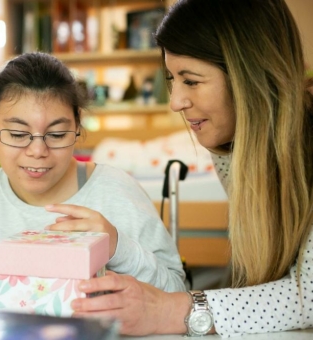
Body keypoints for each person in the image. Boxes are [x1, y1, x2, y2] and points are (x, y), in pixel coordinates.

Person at [65, 0, 313, 337]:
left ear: (251, 74)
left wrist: (169, 310)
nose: (175, 102)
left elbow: (307, 296)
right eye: (171, 79)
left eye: (192, 81)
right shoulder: (235, 145)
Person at [0, 52, 186, 304]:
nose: (37, 152)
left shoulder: (116, 192)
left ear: (78, 125)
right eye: (17, 134)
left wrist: (117, 246)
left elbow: (179, 295)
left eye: (56, 135)